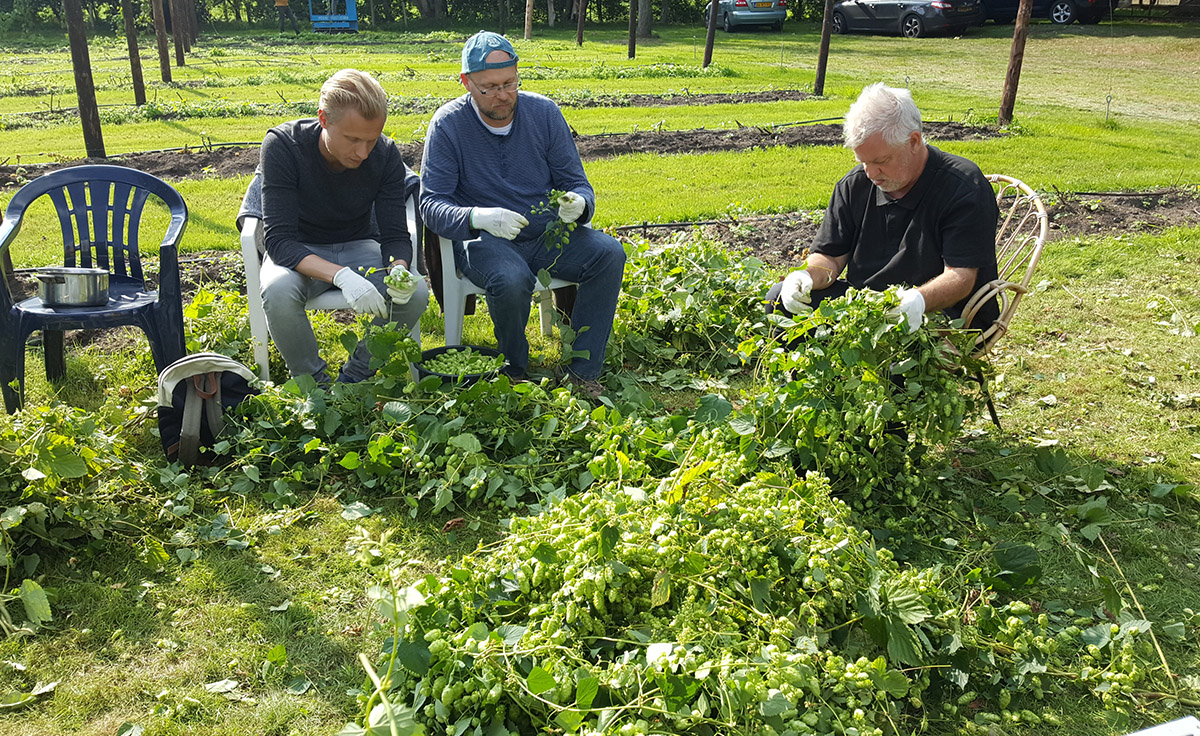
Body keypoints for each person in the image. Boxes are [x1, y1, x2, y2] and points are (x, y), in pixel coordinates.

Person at [419, 31, 627, 399]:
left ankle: (582, 370)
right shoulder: (449, 125)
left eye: (510, 83)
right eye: (489, 88)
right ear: (466, 82)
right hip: (487, 242)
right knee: (512, 279)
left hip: (547, 237)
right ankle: (513, 368)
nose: (502, 95)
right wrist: (478, 217)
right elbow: (432, 204)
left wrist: (579, 204)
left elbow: (577, 182)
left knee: (608, 254)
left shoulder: (544, 114)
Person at [767, 83, 999, 335]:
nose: (870, 173)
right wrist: (807, 276)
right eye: (863, 161)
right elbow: (831, 256)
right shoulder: (855, 184)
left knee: (895, 364)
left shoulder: (962, 187)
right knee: (778, 301)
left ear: (913, 141)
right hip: (865, 306)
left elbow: (961, 277)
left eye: (880, 161)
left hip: (939, 316)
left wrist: (917, 301)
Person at [258, 68, 428, 385]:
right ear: (324, 119)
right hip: (300, 252)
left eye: (372, 140)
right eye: (352, 139)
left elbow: (394, 235)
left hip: (358, 245)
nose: (363, 153)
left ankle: (355, 378)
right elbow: (279, 241)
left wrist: (400, 268)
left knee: (416, 293)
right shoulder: (284, 146)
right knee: (278, 291)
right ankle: (314, 384)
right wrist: (340, 275)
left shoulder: (386, 155)